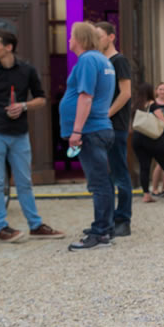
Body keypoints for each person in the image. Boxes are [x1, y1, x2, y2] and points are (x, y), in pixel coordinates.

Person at [0, 30, 65, 243]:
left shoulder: (27, 70)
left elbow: (41, 99)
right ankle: (2, 228)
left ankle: (35, 226)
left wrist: (23, 106)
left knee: (24, 182)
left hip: (20, 134)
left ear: (8, 47)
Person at [59, 21, 117, 251]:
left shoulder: (87, 60)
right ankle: (106, 227)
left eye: (72, 36)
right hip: (100, 128)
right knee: (104, 181)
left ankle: (100, 234)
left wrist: (76, 131)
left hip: (91, 130)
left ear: (81, 39)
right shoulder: (103, 60)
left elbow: (85, 96)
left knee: (98, 183)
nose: (69, 40)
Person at [94, 21, 133, 237]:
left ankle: (123, 219)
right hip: (101, 125)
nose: (96, 40)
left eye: (99, 36)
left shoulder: (119, 61)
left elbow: (126, 93)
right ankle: (107, 220)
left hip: (115, 125)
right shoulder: (100, 62)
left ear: (111, 37)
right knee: (104, 175)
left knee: (120, 173)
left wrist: (106, 114)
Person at [131, 82, 164, 203]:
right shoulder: (153, 105)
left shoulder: (135, 105)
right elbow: (163, 121)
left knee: (144, 167)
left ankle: (146, 195)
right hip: (153, 139)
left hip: (138, 138)